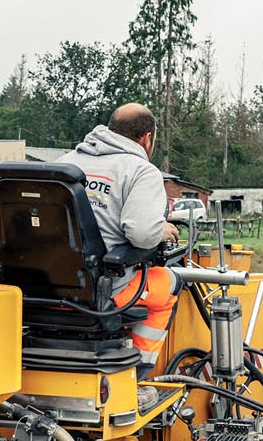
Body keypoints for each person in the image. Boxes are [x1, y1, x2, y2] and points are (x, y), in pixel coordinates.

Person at [62, 104, 181, 372]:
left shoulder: (64, 163)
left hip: (48, 288)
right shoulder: (140, 170)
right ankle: (139, 373)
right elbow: (142, 234)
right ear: (147, 138)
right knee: (170, 283)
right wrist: (160, 229)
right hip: (101, 289)